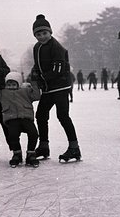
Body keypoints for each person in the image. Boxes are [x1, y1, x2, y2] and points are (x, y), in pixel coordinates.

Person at [31, 14, 82, 162]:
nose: (42, 37)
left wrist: (42, 78)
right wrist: (35, 75)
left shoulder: (57, 47)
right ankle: (44, 146)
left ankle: (74, 148)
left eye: (44, 33)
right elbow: (37, 65)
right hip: (48, 89)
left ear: (50, 32)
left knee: (63, 116)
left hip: (60, 87)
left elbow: (57, 69)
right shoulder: (37, 47)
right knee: (40, 115)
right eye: (38, 34)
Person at [0, 71, 40, 167]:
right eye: (8, 84)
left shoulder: (26, 91)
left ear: (19, 84)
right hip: (12, 119)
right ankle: (17, 154)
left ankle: (31, 153)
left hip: (26, 117)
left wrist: (34, 82)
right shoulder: (3, 93)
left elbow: (36, 95)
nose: (11, 86)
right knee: (12, 136)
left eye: (14, 84)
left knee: (33, 133)